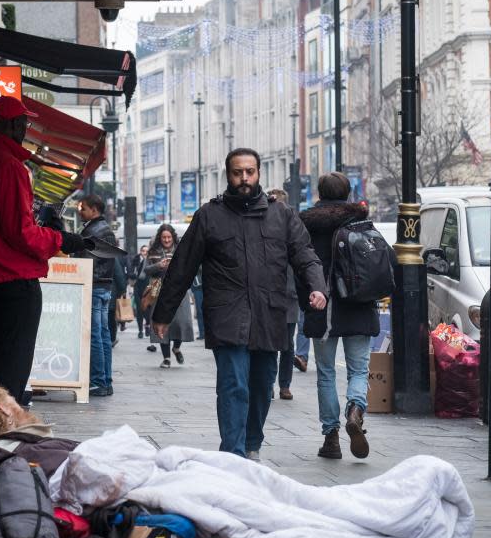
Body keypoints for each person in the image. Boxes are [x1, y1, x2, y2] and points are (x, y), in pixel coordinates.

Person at [151, 148, 327, 459]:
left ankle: (251, 445)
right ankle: (232, 454)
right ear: (228, 175)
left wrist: (317, 287)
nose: (244, 178)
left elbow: (305, 255)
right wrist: (163, 313)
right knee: (234, 385)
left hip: (268, 314)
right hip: (227, 314)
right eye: (237, 173)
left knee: (261, 386)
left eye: (249, 172)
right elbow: (183, 265)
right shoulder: (210, 215)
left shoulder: (282, 215)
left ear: (259, 173)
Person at [0, 96, 88, 407]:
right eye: (22, 122)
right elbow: (20, 233)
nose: (25, 128)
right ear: (9, 125)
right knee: (12, 369)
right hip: (13, 278)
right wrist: (60, 239)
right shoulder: (9, 167)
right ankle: (2, 432)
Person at [299, 172, 385, 460]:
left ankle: (331, 437)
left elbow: (299, 266)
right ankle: (356, 410)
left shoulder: (309, 226)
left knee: (326, 373)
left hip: (324, 308)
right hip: (360, 305)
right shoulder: (361, 221)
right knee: (358, 370)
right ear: (348, 192)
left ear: (319, 193)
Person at [75, 194, 119, 397]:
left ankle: (98, 381)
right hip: (104, 287)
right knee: (103, 334)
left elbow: (86, 262)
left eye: (83, 208)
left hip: (94, 286)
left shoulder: (94, 230)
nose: (80, 211)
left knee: (95, 335)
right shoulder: (105, 229)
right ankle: (105, 381)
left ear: (94, 210)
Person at [144, 225, 195, 368]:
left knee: (181, 322)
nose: (166, 240)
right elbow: (145, 270)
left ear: (173, 237)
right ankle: (166, 358)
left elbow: (190, 268)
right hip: (159, 291)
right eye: (163, 237)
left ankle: (177, 347)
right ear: (160, 238)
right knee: (160, 322)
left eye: (169, 237)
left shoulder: (181, 250)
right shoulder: (153, 251)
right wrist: (158, 266)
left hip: (179, 290)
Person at [266, 188, 299, 401]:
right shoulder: (260, 226)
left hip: (289, 295)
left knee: (287, 343)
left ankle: (284, 385)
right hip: (266, 294)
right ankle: (266, 384)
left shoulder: (294, 228)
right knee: (267, 344)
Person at [128, 245, 150, 338]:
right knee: (139, 309)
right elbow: (130, 272)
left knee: (147, 309)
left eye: (146, 251)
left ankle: (147, 325)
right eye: (143, 251)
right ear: (140, 251)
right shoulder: (136, 260)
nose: (145, 252)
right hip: (137, 287)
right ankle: (140, 330)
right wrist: (135, 274)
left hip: (147, 287)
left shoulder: (150, 261)